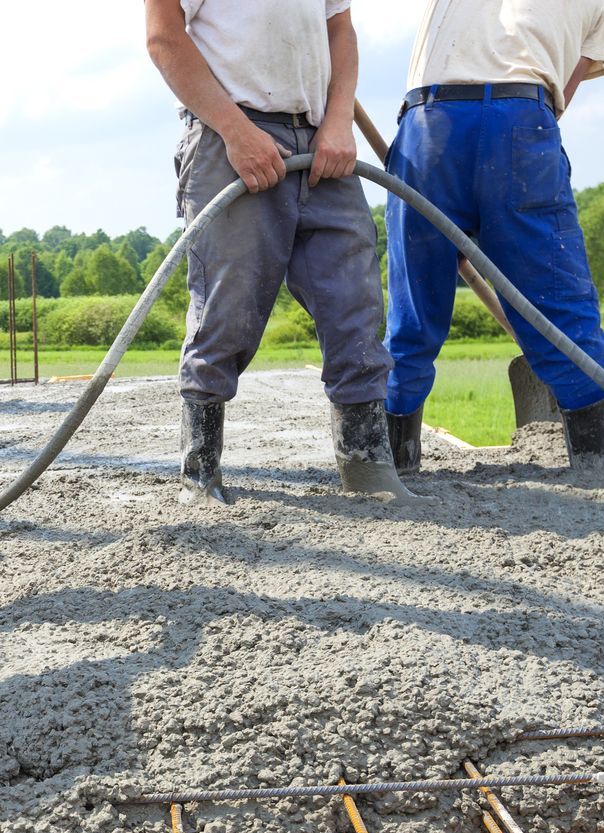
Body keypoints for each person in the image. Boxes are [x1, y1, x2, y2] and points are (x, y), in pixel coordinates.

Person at [144, 0, 405, 506]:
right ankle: (201, 473)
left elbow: (341, 30)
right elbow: (164, 38)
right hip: (229, 137)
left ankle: (369, 470)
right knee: (228, 306)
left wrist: (338, 121)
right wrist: (237, 131)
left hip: (321, 140)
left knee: (355, 300)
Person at [384, 0, 604, 475]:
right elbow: (559, 103)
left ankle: (391, 467)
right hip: (521, 118)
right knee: (558, 303)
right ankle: (600, 465)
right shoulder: (601, 7)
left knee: (413, 309)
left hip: (429, 123)